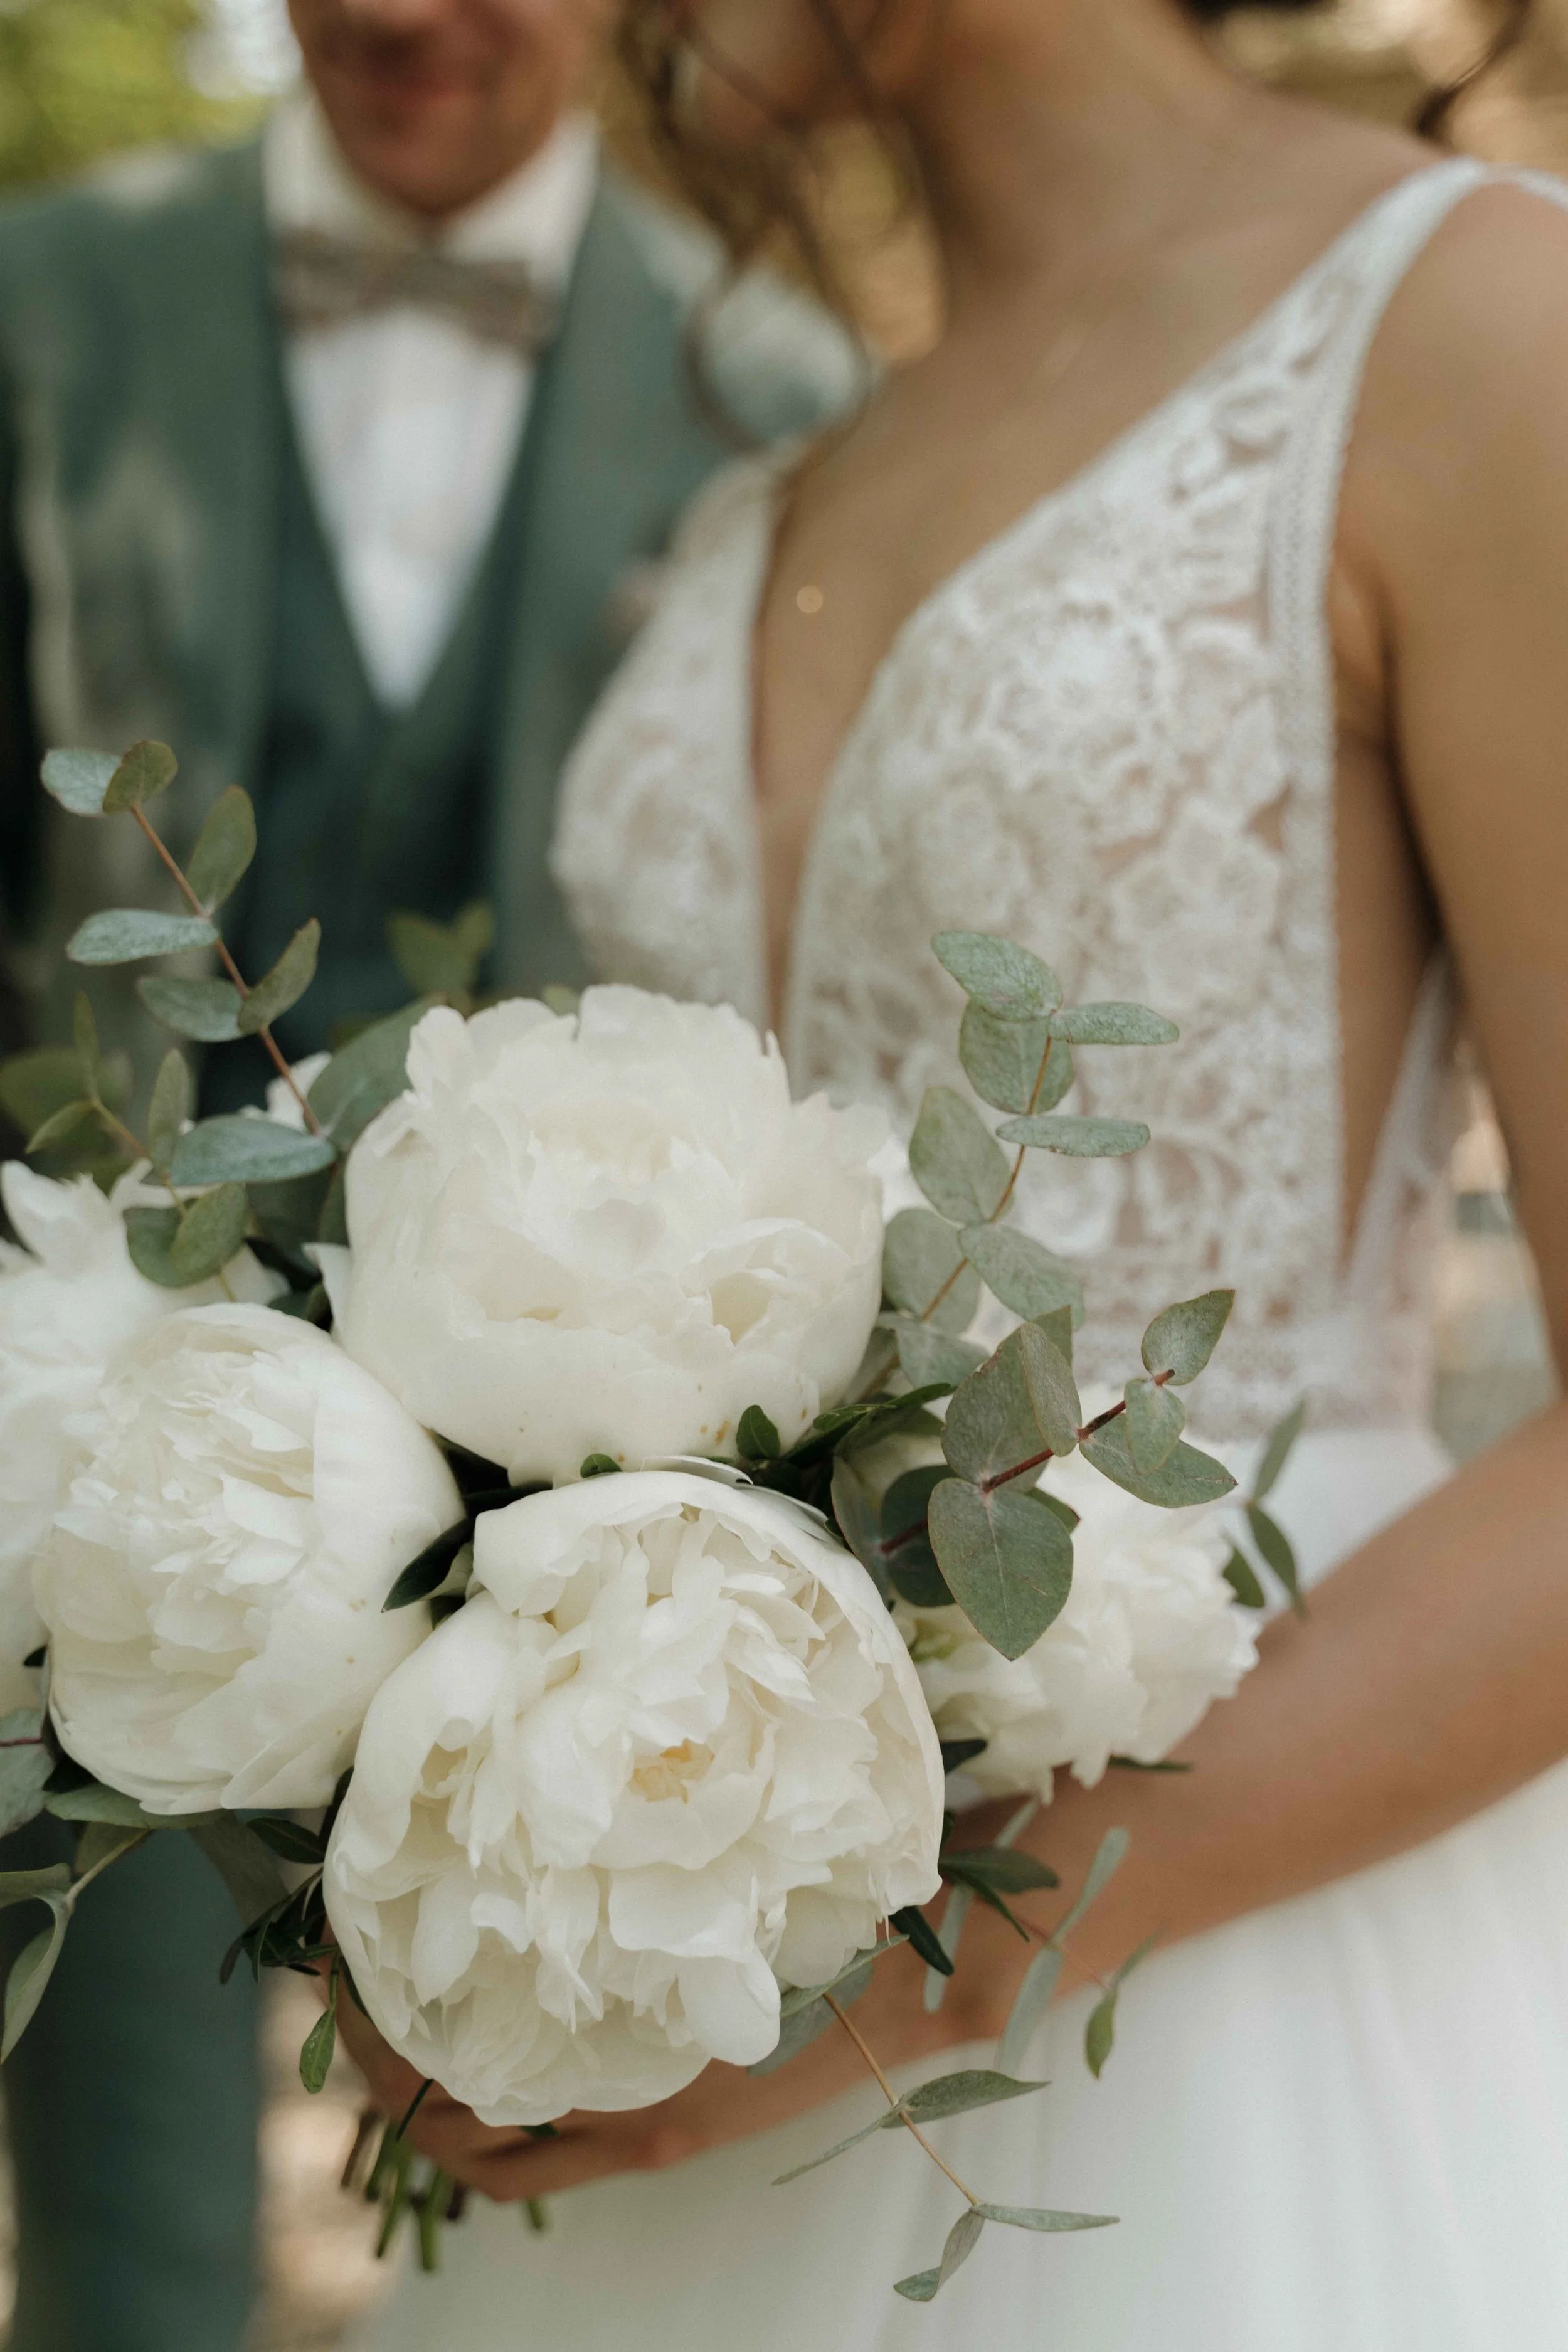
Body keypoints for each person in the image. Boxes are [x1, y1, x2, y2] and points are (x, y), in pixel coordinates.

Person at [334, 0, 1568, 2346]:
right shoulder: (770, 490)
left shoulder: (1484, 330)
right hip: (692, 1984)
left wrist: (911, 1981)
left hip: (1230, 1991)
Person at [0, 0, 853, 2339]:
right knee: (115, 2161)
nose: (406, 19)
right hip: (107, 1425)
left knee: (549, 2123)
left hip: (581, 1454)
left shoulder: (780, 384)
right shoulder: (45, 304)